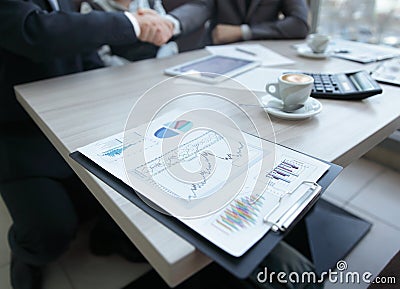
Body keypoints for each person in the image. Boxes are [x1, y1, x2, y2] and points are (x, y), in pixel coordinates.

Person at [0, 1, 174, 288]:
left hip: (76, 116)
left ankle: (106, 234)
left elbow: (81, 44)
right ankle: (28, 254)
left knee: (130, 184)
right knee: (49, 232)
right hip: (21, 129)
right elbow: (37, 32)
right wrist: (133, 23)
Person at [167, 0, 310, 47]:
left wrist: (244, 32)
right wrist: (171, 23)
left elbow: (299, 23)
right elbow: (201, 6)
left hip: (264, 54)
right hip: (217, 52)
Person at [79, 0, 180, 64]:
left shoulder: (150, 2)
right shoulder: (92, 7)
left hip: (159, 60)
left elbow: (166, 33)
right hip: (121, 69)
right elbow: (101, 55)